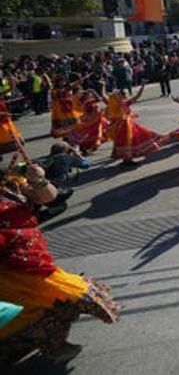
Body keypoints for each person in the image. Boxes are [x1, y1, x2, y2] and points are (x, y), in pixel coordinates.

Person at [0, 152, 119, 364]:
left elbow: (48, 197)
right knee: (59, 300)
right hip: (11, 271)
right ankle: (53, 347)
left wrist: (38, 178)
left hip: (33, 258)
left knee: (55, 303)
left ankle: (54, 346)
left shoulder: (10, 178)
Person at [106, 85, 164, 166]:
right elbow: (137, 96)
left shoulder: (121, 104)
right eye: (124, 94)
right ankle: (127, 159)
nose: (126, 96)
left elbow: (137, 96)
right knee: (129, 141)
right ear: (120, 96)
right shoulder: (120, 104)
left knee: (128, 141)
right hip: (124, 126)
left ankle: (126, 159)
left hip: (123, 125)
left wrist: (143, 86)